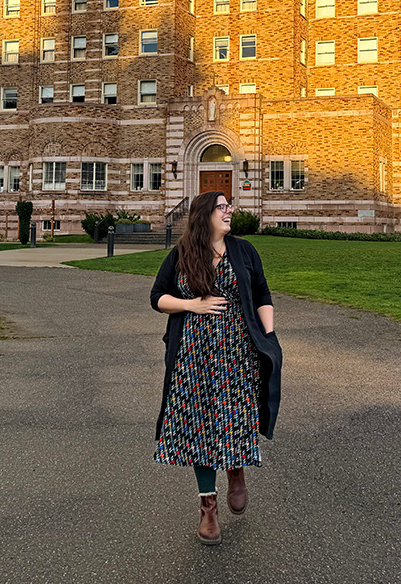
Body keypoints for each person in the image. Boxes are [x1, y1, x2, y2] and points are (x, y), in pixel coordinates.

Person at [150, 190, 283, 545]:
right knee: (199, 428)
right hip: (193, 357)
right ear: (205, 214)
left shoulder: (243, 251)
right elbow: (157, 297)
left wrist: (267, 335)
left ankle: (235, 469)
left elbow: (262, 293)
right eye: (223, 207)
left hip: (237, 354)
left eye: (230, 206)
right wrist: (191, 304)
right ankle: (207, 506)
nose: (230, 211)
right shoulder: (181, 254)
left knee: (236, 416)